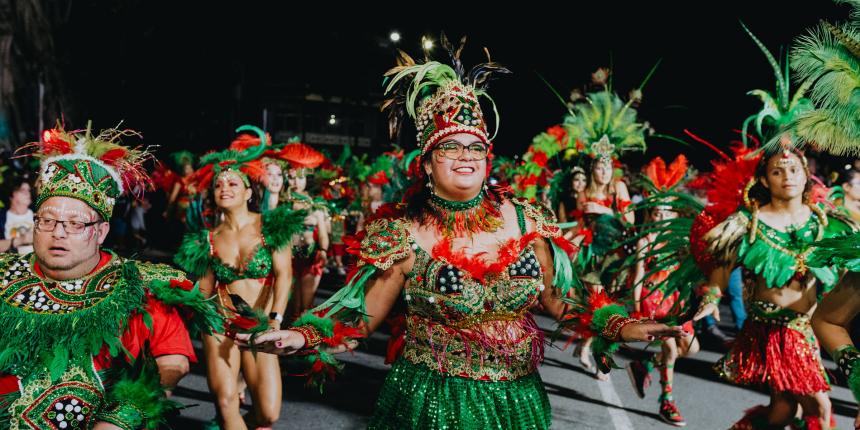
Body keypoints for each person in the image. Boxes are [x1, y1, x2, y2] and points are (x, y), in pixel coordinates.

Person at [236, 35, 684, 430]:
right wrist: (303, 335)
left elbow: (560, 302)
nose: (464, 155)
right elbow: (362, 318)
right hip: (431, 402)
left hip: (518, 402)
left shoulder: (527, 218)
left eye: (475, 147)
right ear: (428, 163)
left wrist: (622, 326)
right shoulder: (403, 232)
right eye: (448, 147)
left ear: (488, 158)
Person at [0, 122, 221, 429]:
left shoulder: (141, 289)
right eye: (47, 220)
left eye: (76, 224)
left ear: (101, 231)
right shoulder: (5, 277)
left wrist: (124, 415)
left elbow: (173, 363)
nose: (58, 233)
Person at [694, 146, 856, 429]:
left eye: (794, 170)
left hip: (805, 327)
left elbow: (847, 273)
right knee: (819, 408)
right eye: (777, 172)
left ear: (807, 176)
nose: (787, 177)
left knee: (782, 410)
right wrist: (710, 298)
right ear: (765, 181)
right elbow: (720, 274)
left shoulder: (826, 223)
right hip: (770, 328)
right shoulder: (747, 223)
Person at [175, 126, 305, 430]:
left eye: (233, 182)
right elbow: (205, 288)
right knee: (225, 401)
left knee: (268, 413)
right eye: (219, 184)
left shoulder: (271, 226)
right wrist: (179, 295)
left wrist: (275, 318)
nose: (225, 188)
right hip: (219, 325)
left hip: (261, 324)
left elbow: (284, 275)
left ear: (248, 191)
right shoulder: (206, 239)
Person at [626, 156, 699, 426]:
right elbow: (639, 274)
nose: (661, 217)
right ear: (651, 215)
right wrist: (636, 309)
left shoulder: (678, 239)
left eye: (666, 212)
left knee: (691, 348)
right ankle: (666, 401)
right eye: (657, 213)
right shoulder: (645, 239)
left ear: (674, 214)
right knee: (670, 346)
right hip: (652, 300)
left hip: (674, 301)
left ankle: (645, 365)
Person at [0, 177, 34, 254]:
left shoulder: (37, 213)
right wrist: (21, 240)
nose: (27, 193)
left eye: (28, 190)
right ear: (11, 194)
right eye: (22, 190)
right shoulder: (2, 217)